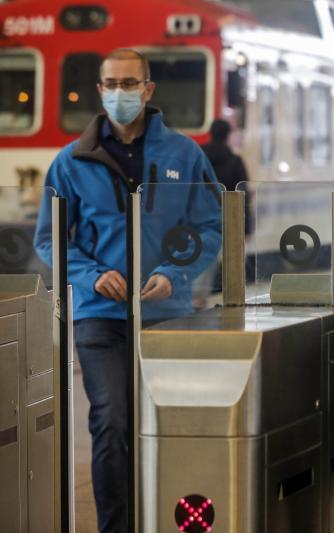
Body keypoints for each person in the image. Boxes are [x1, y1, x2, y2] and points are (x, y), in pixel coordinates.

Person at [34, 48, 220, 533]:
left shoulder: (184, 154)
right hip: (100, 317)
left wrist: (176, 275)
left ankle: (171, 521)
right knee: (112, 423)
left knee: (172, 429)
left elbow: (211, 226)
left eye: (129, 83)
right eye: (111, 84)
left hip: (170, 316)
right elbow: (48, 237)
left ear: (148, 89)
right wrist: (91, 274)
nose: (120, 93)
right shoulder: (70, 163)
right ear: (100, 91)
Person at [202, 118, 253, 234]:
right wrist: (246, 228)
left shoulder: (199, 157)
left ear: (210, 133)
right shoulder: (235, 161)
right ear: (228, 135)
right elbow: (243, 195)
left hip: (201, 219)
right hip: (227, 221)